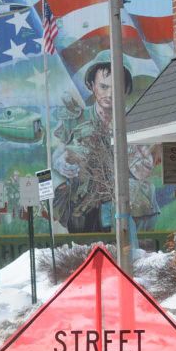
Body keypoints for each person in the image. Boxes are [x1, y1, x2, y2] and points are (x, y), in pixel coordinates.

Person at [51, 49, 132, 233]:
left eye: (116, 86)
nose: (110, 93)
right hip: (82, 207)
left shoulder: (134, 119)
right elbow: (59, 151)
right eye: (103, 86)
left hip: (121, 206)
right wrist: (60, 162)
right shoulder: (77, 118)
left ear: (125, 89)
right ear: (92, 85)